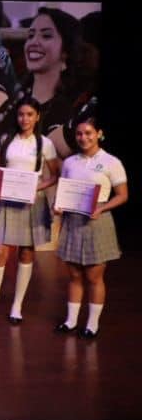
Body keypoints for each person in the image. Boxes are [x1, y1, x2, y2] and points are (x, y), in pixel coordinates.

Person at [0, 97, 59, 326]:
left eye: (30, 115)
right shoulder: (5, 140)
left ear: (37, 117)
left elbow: (54, 175)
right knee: (0, 253)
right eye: (21, 114)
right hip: (8, 201)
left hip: (32, 202)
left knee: (26, 253)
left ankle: (17, 306)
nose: (25, 119)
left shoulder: (45, 144)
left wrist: (36, 187)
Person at [0, 7, 97, 160]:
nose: (34, 42)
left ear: (65, 51)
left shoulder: (67, 111)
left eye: (46, 36)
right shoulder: (13, 103)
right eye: (30, 35)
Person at [54, 116, 128, 339]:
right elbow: (64, 190)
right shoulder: (70, 162)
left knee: (94, 276)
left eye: (88, 133)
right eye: (79, 134)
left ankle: (92, 324)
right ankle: (71, 321)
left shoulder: (111, 162)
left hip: (97, 221)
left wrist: (102, 208)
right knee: (74, 275)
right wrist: (58, 206)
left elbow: (123, 195)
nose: (83, 138)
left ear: (99, 134)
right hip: (73, 221)